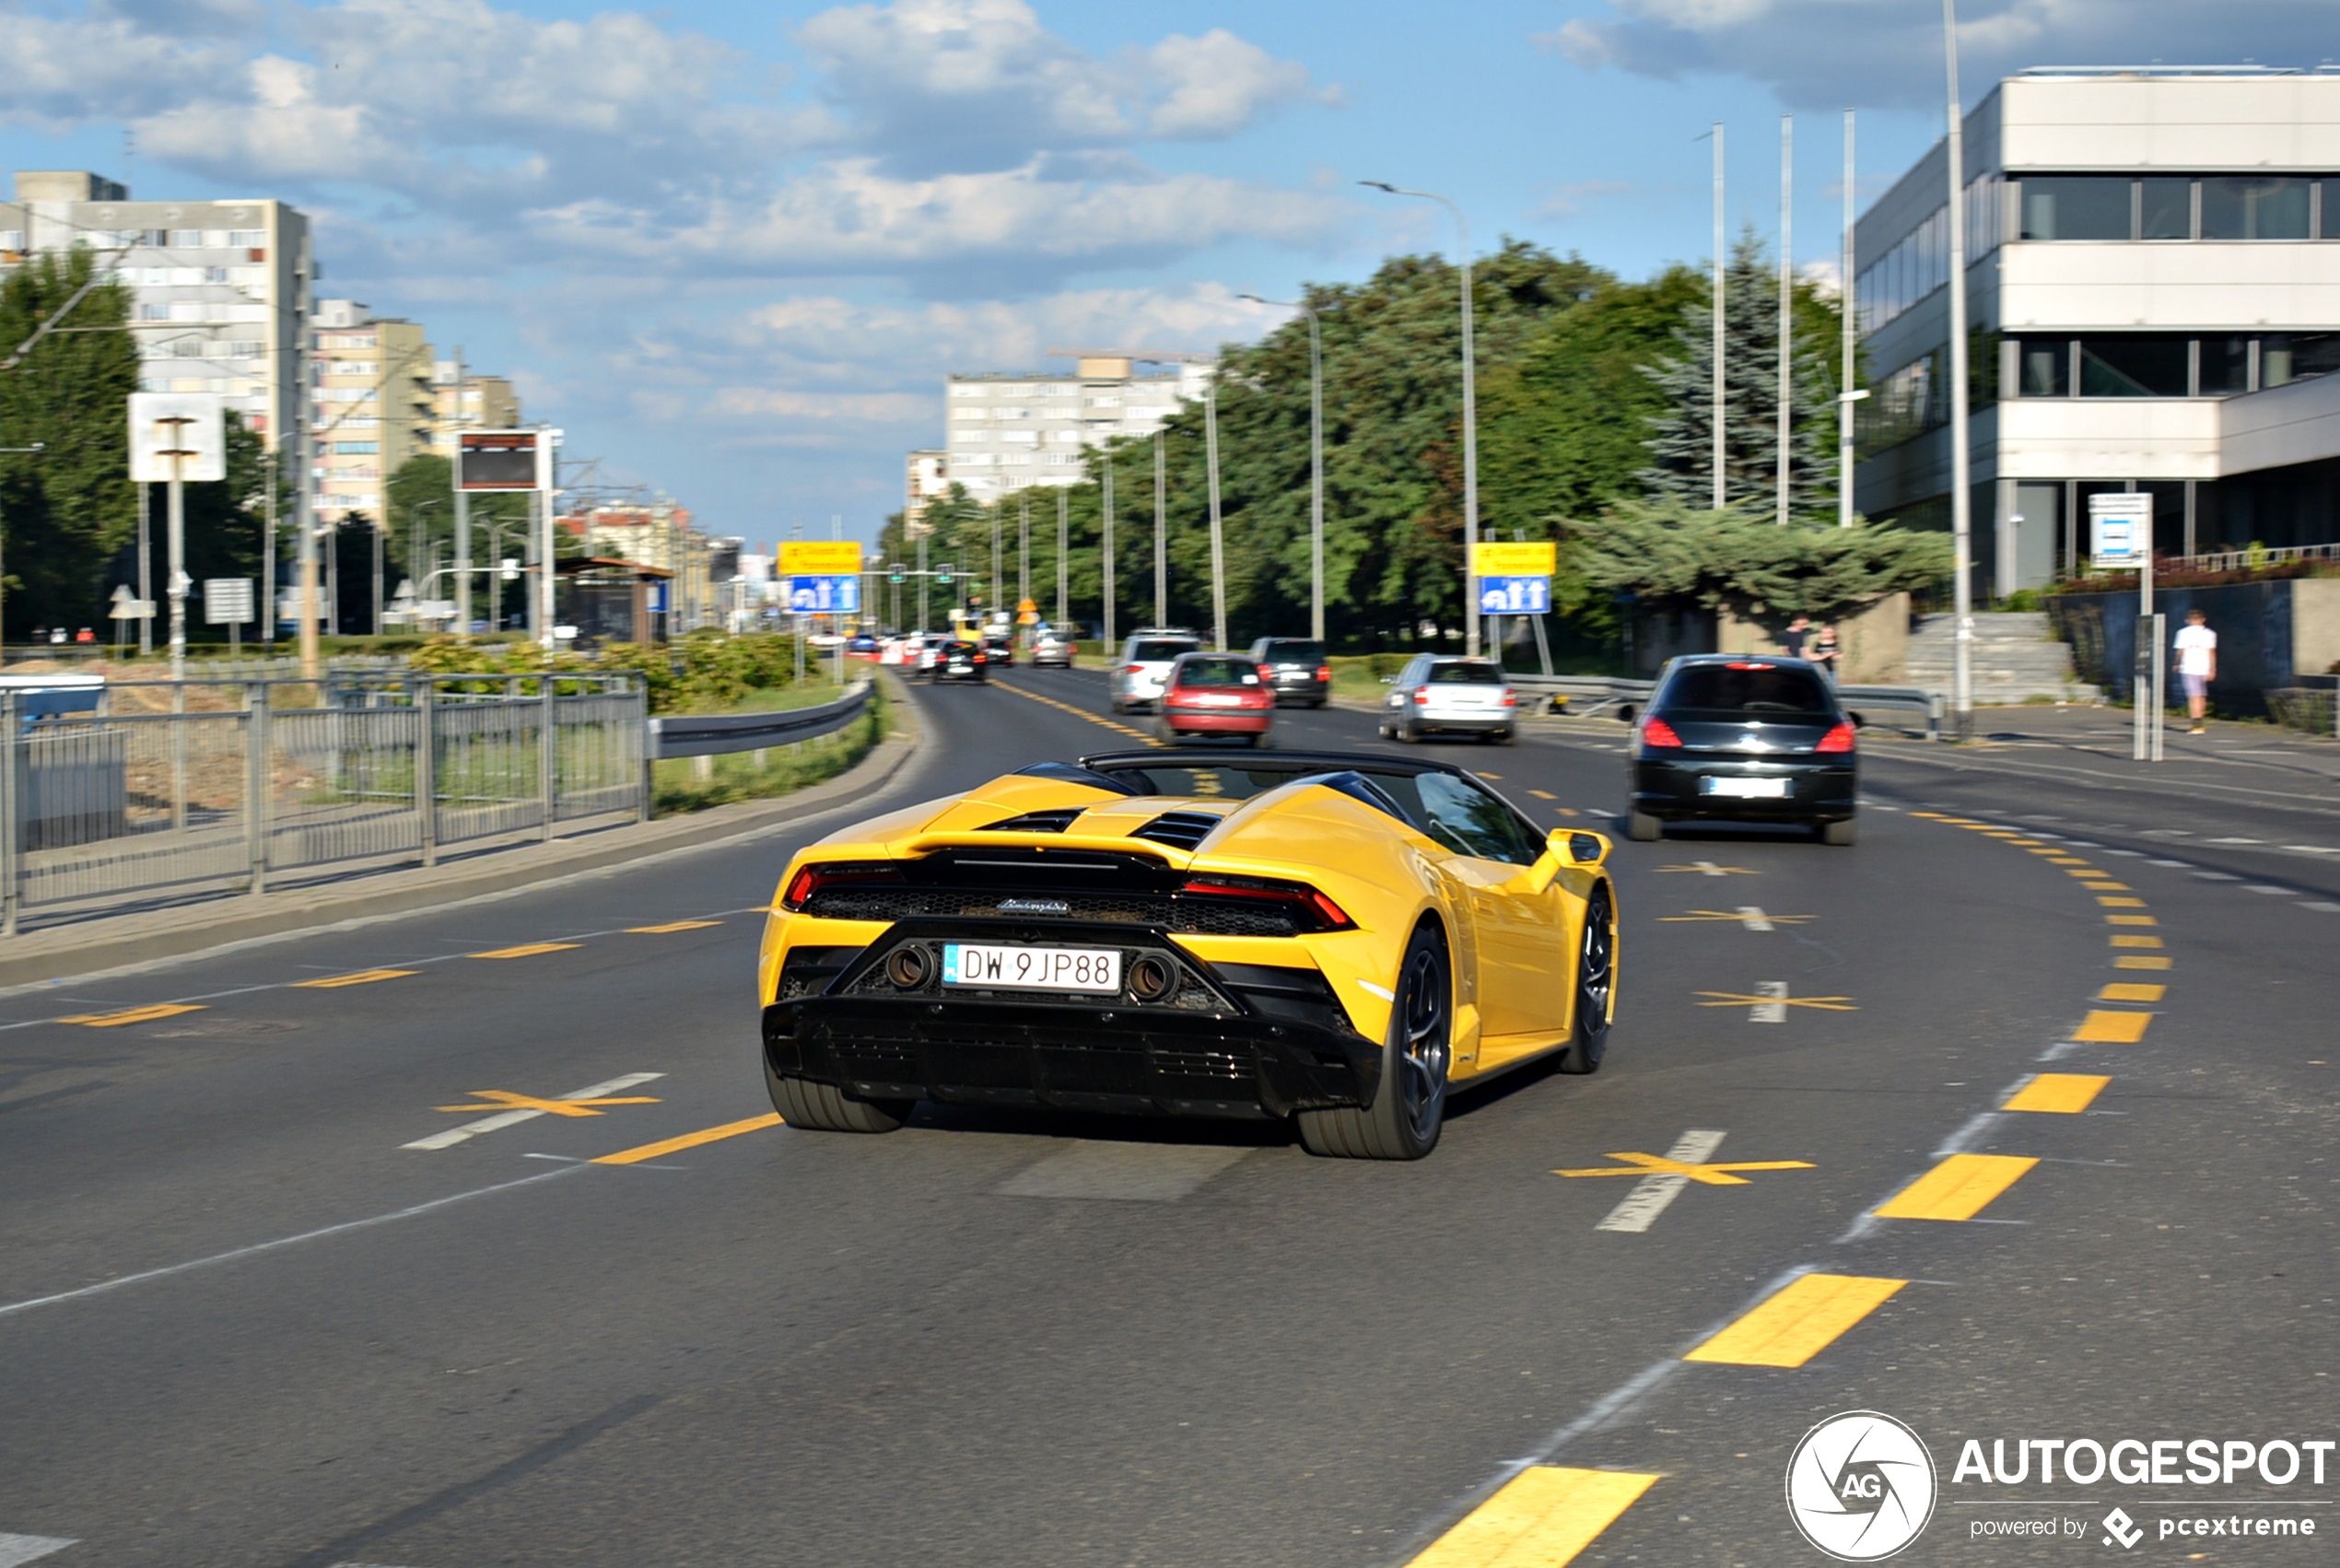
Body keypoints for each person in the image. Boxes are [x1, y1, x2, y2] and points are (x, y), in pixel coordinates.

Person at [2173, 607, 2217, 733]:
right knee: (2202, 695)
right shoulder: (2210, 633)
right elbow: (2211, 652)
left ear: (2188, 620)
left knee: (2193, 696)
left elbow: (2180, 651)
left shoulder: (2183, 633)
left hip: (2189, 667)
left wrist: (2176, 663)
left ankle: (2197, 724)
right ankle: (2200, 720)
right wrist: (2212, 669)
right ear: (2203, 620)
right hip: (2204, 667)